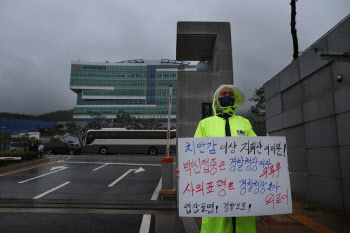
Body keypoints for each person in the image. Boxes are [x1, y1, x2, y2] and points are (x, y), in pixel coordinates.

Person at [177, 84, 257, 233]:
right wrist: (187, 172)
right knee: (215, 225)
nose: (228, 96)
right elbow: (196, 155)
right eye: (223, 93)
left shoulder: (244, 123)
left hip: (241, 186)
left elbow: (258, 152)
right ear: (216, 99)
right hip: (214, 187)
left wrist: (277, 171)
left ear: (235, 99)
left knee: (243, 223)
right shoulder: (205, 124)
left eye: (231, 94)